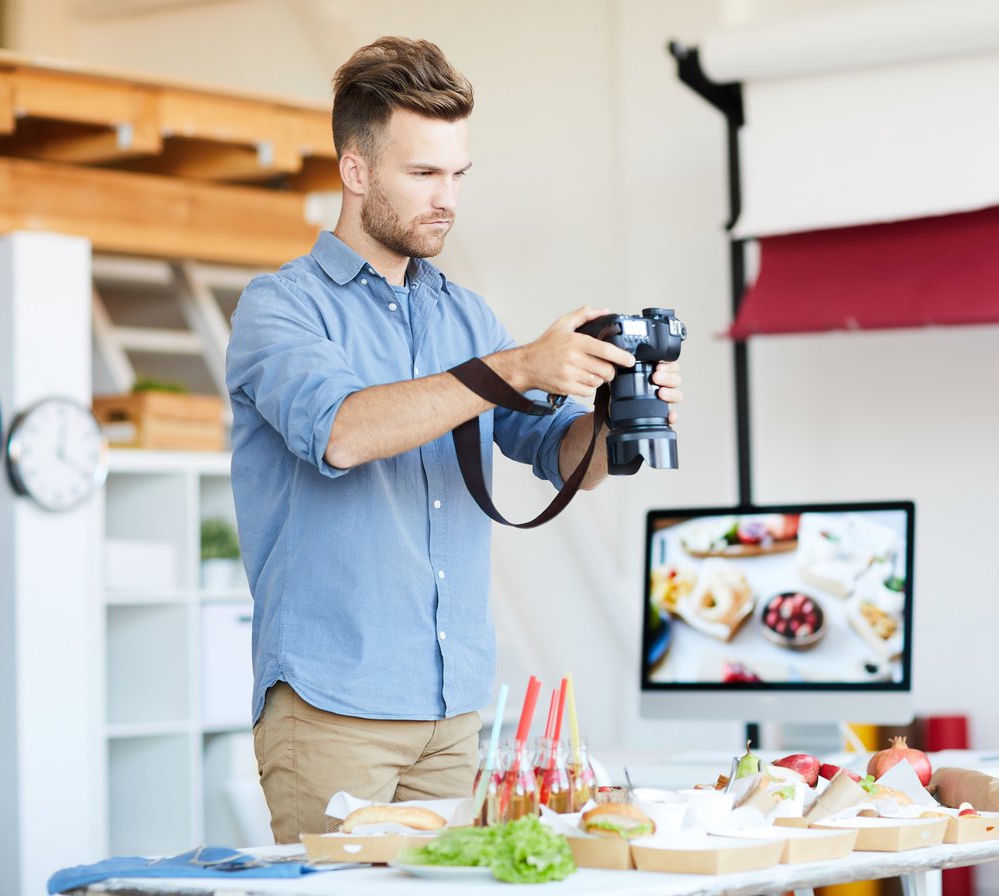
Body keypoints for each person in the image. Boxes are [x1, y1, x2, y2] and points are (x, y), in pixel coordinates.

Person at [225, 36, 683, 843]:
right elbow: (342, 432)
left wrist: (612, 421)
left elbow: (557, 457)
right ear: (356, 170)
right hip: (335, 712)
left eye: (458, 174)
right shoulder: (281, 308)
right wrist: (517, 364)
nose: (448, 199)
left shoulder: (464, 316)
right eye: (423, 174)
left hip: (456, 712)